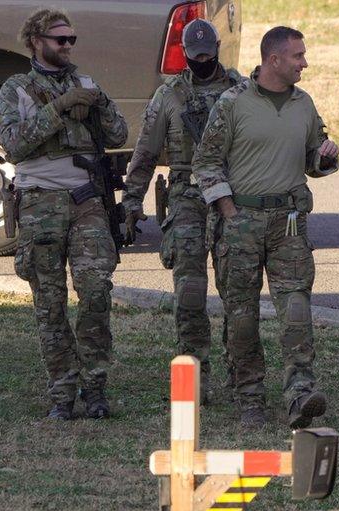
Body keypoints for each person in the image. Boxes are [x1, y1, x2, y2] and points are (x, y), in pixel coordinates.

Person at [192, 26, 339, 428]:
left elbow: (314, 161)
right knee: (242, 315)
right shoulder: (232, 103)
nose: (304, 62)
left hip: (289, 224)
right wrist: (227, 209)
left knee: (296, 310)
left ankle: (299, 396)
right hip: (240, 222)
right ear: (274, 60)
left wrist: (325, 156)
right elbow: (205, 162)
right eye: (298, 56)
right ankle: (249, 396)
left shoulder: (304, 104)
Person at [0, 8, 127, 419]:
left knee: (95, 291)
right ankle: (62, 393)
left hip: (85, 198)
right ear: (37, 41)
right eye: (60, 39)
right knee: (48, 302)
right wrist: (59, 108)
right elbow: (14, 145)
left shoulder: (85, 83)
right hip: (39, 204)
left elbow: (121, 135)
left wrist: (99, 103)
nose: (68, 46)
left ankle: (95, 388)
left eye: (72, 39)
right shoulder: (15, 89)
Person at [121, 19, 242, 405]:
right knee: (189, 292)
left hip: (232, 194)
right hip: (187, 195)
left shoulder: (239, 89)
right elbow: (144, 152)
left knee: (238, 293)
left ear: (218, 49)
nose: (204, 60)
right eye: (197, 55)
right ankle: (195, 379)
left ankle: (242, 378)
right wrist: (131, 200)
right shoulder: (169, 95)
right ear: (186, 55)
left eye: (209, 54)